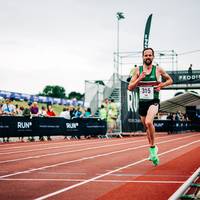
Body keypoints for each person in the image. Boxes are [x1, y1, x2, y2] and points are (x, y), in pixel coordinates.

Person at [128, 48, 173, 166]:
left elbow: (170, 80)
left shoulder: (158, 69)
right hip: (142, 102)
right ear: (142, 57)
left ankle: (152, 149)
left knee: (149, 122)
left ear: (153, 57)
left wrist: (161, 85)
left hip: (154, 101)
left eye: (150, 55)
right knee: (147, 129)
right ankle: (153, 150)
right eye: (146, 55)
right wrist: (139, 78)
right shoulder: (137, 70)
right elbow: (130, 87)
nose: (148, 57)